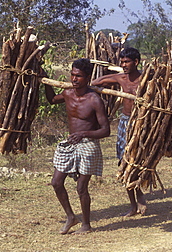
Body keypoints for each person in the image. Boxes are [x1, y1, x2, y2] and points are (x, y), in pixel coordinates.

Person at [45, 58, 110, 234]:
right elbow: (52, 99)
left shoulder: (94, 100)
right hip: (70, 143)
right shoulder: (67, 94)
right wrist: (44, 79)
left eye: (79, 76)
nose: (74, 79)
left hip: (88, 144)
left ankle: (86, 225)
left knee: (81, 187)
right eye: (72, 75)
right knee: (56, 182)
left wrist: (83, 134)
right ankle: (71, 217)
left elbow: (105, 131)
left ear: (87, 77)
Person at [91, 47, 146, 217]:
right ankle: (132, 204)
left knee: (139, 160)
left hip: (142, 123)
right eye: (121, 62)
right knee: (123, 161)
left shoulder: (146, 79)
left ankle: (141, 198)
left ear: (136, 62)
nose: (123, 65)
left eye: (126, 62)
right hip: (125, 122)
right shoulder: (121, 78)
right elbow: (97, 82)